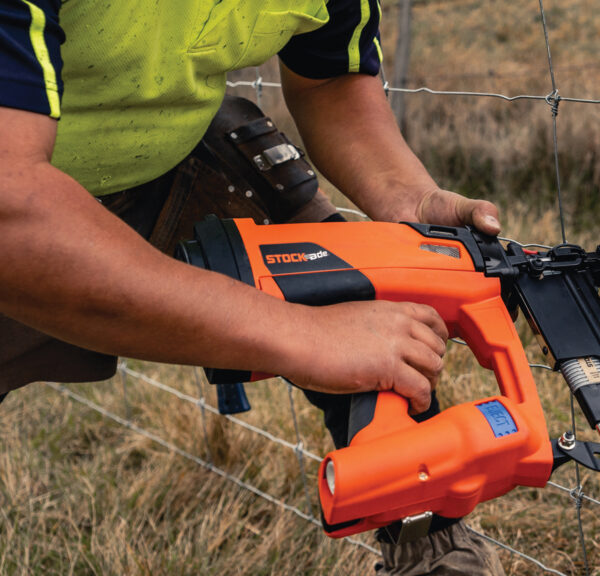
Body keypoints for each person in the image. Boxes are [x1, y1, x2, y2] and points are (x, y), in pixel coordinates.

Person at [0, 1, 505, 574]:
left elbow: (331, 81)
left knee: (355, 280)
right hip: (19, 190)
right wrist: (302, 335)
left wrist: (404, 199)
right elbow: (9, 209)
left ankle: (430, 545)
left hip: (162, 158)